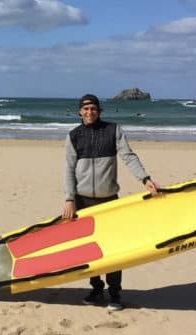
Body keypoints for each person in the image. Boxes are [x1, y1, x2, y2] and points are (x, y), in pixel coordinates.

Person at [62, 94, 158, 311]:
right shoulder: (73, 136)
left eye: (93, 109)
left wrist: (145, 179)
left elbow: (128, 156)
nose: (89, 112)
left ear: (99, 111)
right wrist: (69, 199)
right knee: (90, 250)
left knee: (113, 249)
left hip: (109, 201)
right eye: (85, 109)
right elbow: (68, 169)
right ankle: (96, 289)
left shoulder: (113, 130)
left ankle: (114, 294)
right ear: (79, 112)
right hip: (83, 202)